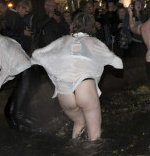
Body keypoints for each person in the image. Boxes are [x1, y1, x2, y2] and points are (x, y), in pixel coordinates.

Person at [31, 12, 122, 140]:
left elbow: (36, 55)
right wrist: (108, 54)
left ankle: (77, 154)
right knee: (94, 135)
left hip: (64, 90)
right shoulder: (94, 42)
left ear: (72, 25)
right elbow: (119, 64)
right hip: (85, 87)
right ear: (92, 26)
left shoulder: (62, 40)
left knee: (79, 123)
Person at [0, 16, 38, 130]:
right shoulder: (4, 39)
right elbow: (12, 68)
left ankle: (47, 133)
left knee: (18, 115)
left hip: (27, 75)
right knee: (9, 111)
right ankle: (22, 138)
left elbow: (5, 69)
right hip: (30, 74)